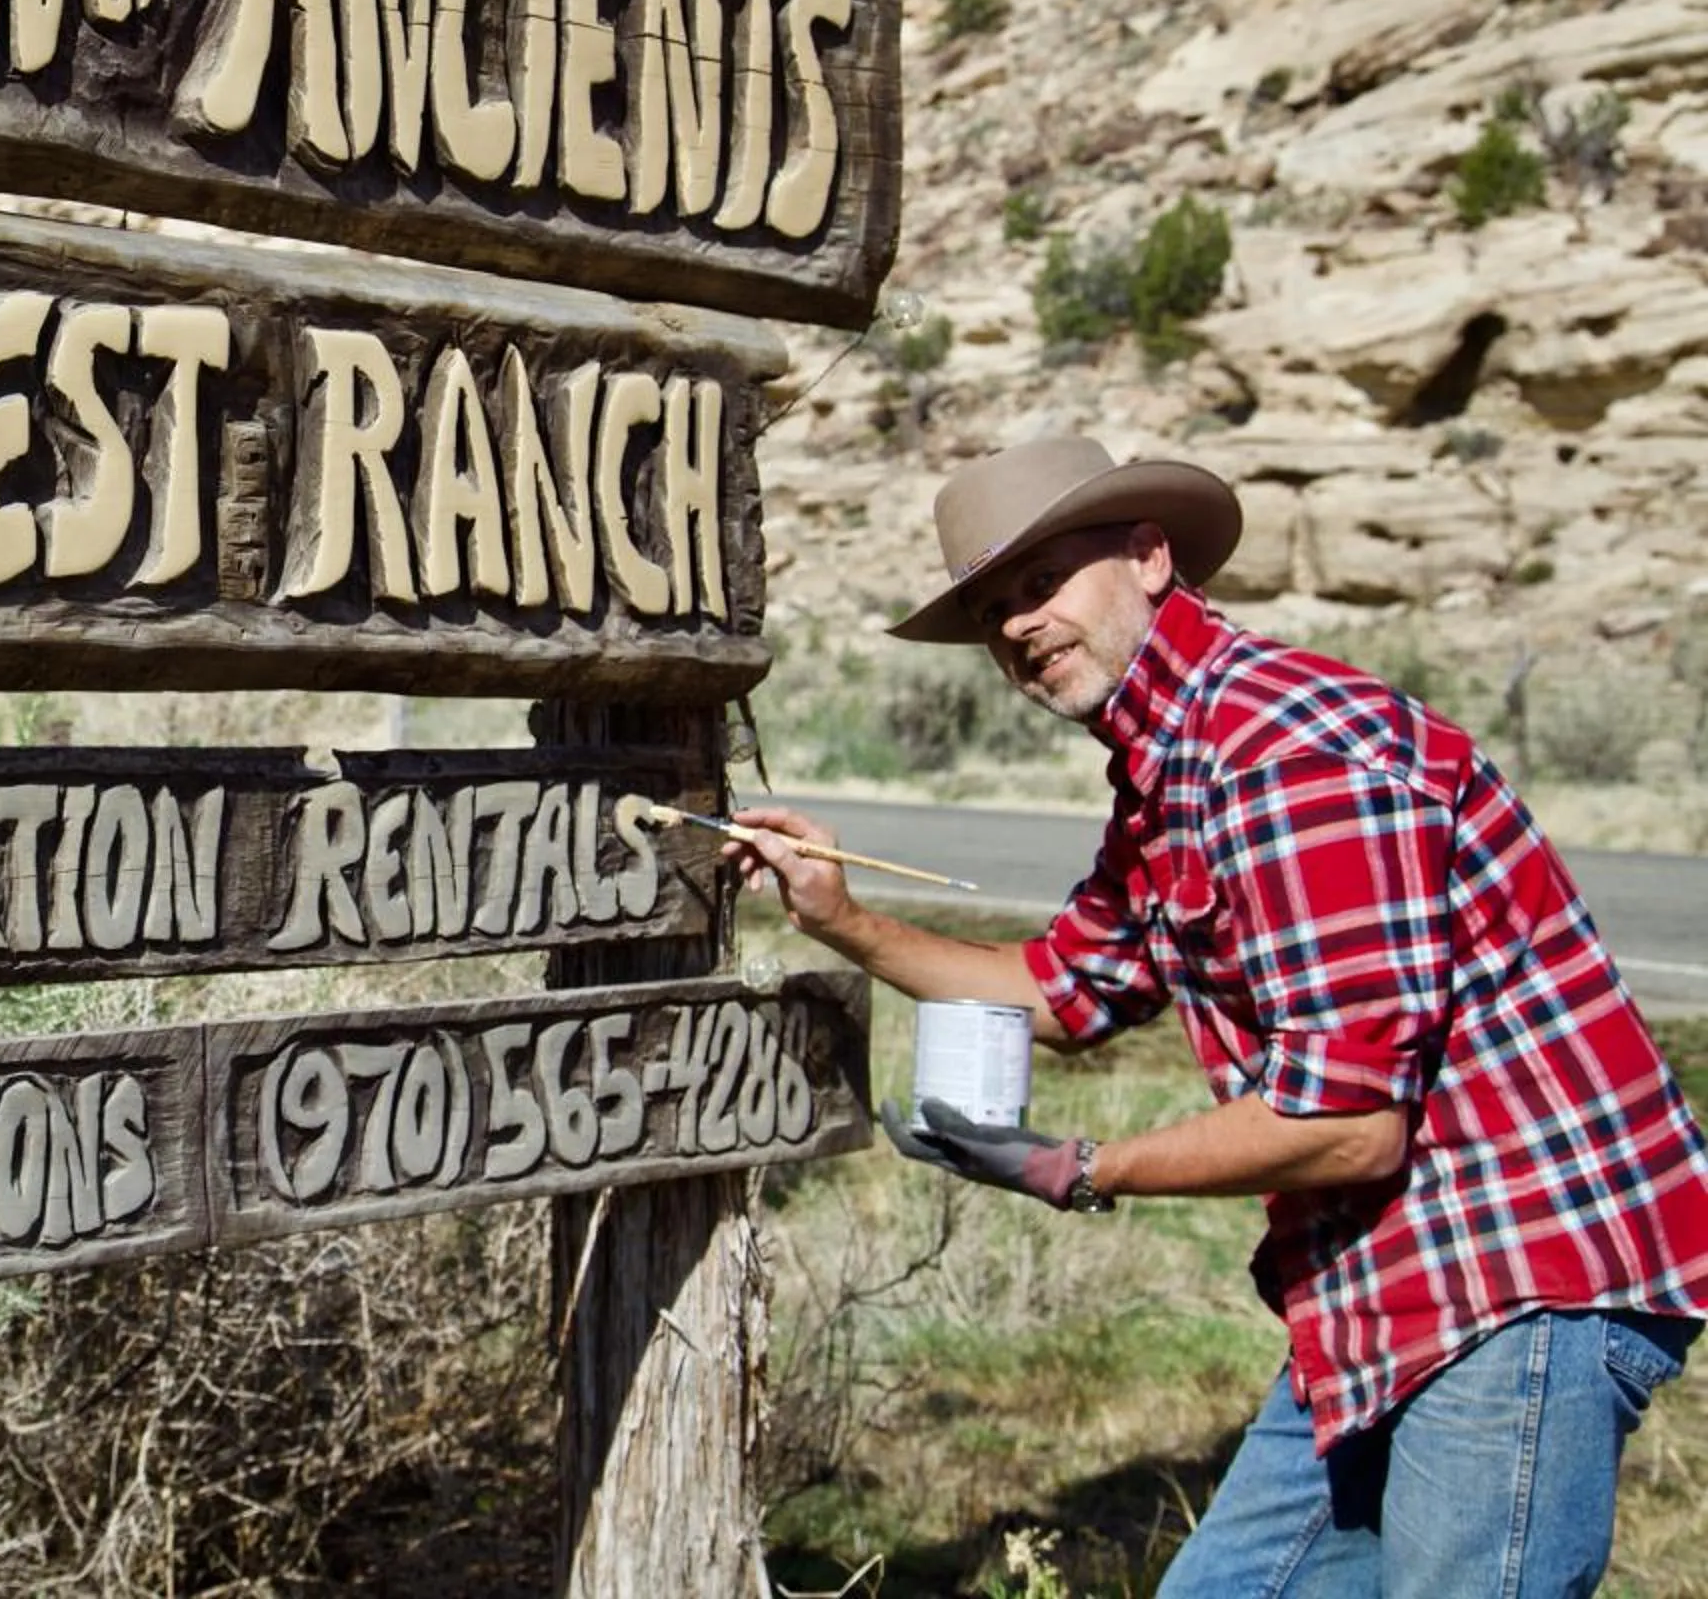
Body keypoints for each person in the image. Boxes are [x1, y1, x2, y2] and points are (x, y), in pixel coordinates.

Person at [721, 435, 1708, 1595]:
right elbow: (1063, 988)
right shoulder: (1170, 771)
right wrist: (837, 915)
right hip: (1379, 1286)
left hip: (1512, 1279)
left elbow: (1347, 1123)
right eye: (994, 610)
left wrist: (1085, 1165)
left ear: (1149, 556)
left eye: (1042, 584)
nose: (1019, 627)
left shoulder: (1281, 752)